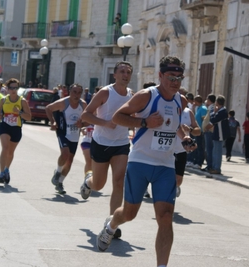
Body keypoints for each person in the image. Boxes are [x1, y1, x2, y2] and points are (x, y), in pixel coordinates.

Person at [96, 56, 193, 267]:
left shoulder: (181, 100)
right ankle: (111, 225)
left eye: (179, 77)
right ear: (160, 76)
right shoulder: (146, 96)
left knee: (166, 216)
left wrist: (184, 137)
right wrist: (144, 122)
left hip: (166, 164)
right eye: (171, 77)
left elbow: (176, 124)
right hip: (140, 161)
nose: (175, 81)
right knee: (129, 213)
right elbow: (118, 117)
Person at [80, 61, 133, 239]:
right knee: (99, 184)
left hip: (121, 144)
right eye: (122, 71)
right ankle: (88, 182)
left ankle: (112, 224)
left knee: (119, 182)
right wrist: (105, 123)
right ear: (115, 75)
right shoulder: (106, 92)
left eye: (128, 72)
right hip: (101, 142)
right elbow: (86, 114)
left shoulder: (131, 95)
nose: (125, 75)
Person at [46, 84, 86, 194]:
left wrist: (82, 124)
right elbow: (48, 108)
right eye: (74, 92)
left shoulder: (83, 105)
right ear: (69, 92)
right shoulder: (63, 102)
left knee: (70, 161)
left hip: (74, 134)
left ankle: (60, 182)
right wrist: (53, 121)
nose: (76, 95)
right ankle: (58, 173)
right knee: (65, 154)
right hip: (63, 131)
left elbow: (88, 120)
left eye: (79, 92)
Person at [0, 78, 31, 184]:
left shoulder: (22, 101)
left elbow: (29, 117)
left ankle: (7, 169)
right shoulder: (3, 100)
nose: (13, 90)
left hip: (16, 127)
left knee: (11, 152)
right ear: (7, 89)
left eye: (15, 88)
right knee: (5, 148)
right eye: (11, 88)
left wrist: (19, 112)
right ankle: (1, 173)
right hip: (5, 126)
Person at [174, 90, 201, 198]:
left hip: (181, 150)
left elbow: (198, 130)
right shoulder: (169, 110)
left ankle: (175, 187)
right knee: (166, 177)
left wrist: (190, 129)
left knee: (178, 179)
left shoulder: (188, 112)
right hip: (167, 150)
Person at [205, 95, 229, 174]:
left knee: (217, 152)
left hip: (220, 134)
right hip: (216, 133)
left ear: (217, 102)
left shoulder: (222, 111)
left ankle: (217, 168)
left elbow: (213, 120)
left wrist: (214, 112)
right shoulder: (220, 111)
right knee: (215, 151)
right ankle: (215, 167)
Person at [191, 95, 207, 169]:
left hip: (201, 131)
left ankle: (199, 162)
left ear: (197, 101)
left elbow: (204, 120)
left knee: (200, 147)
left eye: (195, 101)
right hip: (197, 131)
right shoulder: (198, 108)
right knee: (196, 146)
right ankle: (195, 161)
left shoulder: (203, 108)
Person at [201, 94, 216, 172]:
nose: (206, 101)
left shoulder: (212, 109)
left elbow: (212, 121)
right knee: (208, 149)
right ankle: (209, 165)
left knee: (209, 149)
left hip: (209, 131)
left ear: (210, 100)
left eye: (207, 99)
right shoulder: (209, 108)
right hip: (208, 131)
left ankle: (210, 165)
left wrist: (206, 128)